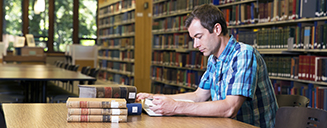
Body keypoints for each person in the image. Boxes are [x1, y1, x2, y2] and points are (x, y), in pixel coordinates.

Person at [137, 4, 278, 128]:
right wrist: (156, 98)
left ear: (217, 29)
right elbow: (198, 96)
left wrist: (175, 107)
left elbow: (230, 108)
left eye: (199, 37)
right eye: (193, 39)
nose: (195, 45)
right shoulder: (214, 60)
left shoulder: (243, 54)